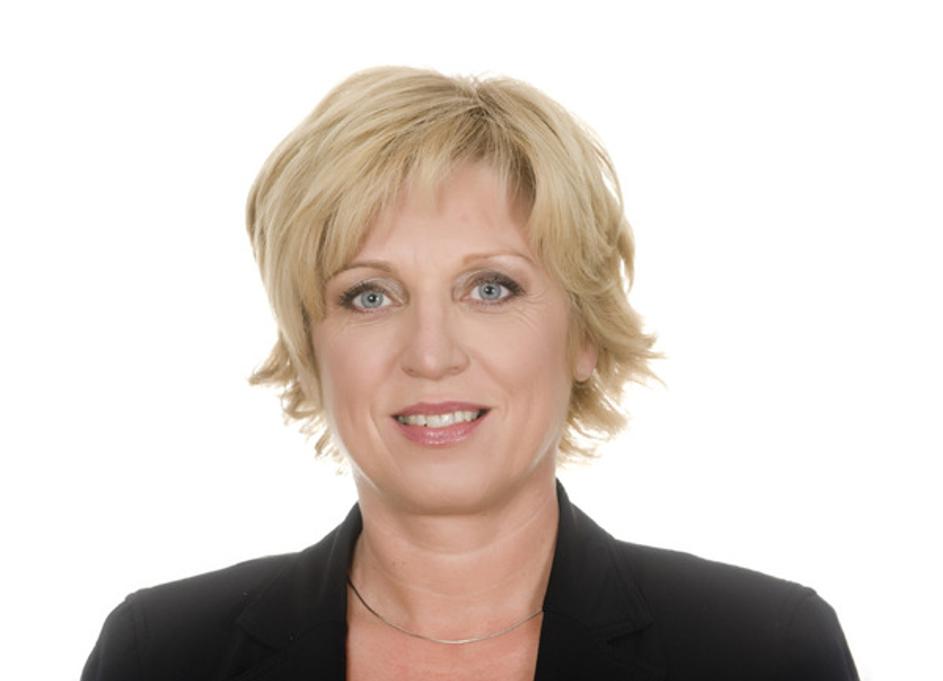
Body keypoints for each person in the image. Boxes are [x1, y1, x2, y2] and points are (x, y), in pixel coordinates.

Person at [81, 66, 859, 680]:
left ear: (583, 332)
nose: (430, 353)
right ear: (310, 348)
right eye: (369, 295)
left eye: (490, 288)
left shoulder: (763, 651)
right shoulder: (161, 654)